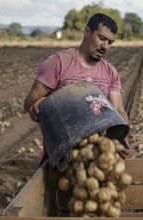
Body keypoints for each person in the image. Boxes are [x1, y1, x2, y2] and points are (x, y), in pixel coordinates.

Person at [23, 13, 131, 159]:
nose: (105, 46)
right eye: (102, 38)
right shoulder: (58, 62)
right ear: (87, 32)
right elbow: (30, 100)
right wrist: (39, 104)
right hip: (62, 153)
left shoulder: (110, 72)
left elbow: (118, 109)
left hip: (98, 153)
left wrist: (122, 135)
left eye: (110, 42)